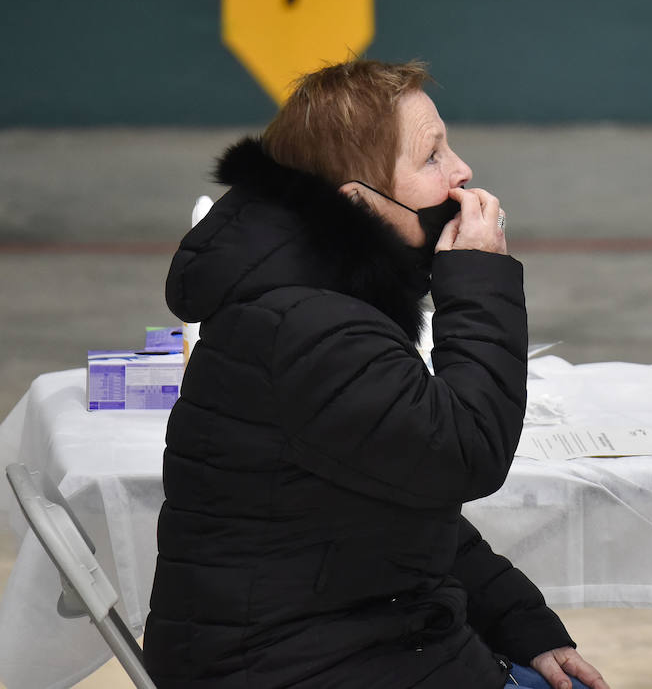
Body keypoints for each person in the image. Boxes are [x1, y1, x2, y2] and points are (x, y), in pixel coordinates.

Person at [146, 59, 609, 689]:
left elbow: (397, 510)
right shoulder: (306, 327)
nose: (461, 171)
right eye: (431, 156)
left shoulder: (317, 297)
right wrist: (479, 279)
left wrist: (519, 620)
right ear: (358, 202)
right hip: (299, 668)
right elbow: (464, 454)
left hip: (347, 648)